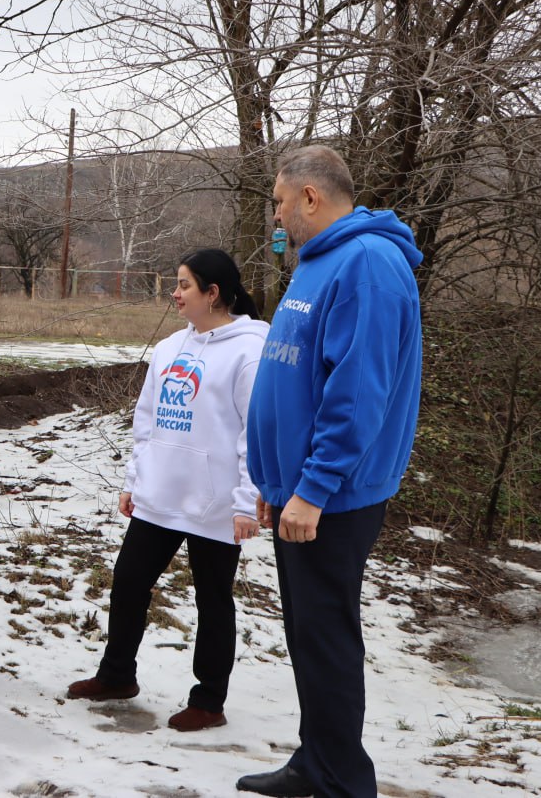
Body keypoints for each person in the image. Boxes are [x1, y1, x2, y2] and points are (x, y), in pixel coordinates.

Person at [237, 146, 422, 798]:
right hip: (301, 491)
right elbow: (297, 374)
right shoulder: (318, 262)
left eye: (280, 202)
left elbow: (358, 393)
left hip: (334, 497)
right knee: (308, 636)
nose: (276, 216)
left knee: (327, 638)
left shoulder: (368, 264)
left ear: (310, 197)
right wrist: (276, 483)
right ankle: (315, 762)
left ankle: (344, 782)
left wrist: (312, 489)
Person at [66, 249, 268, 732]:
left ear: (212, 293)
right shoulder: (169, 348)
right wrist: (134, 480)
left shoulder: (250, 351)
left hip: (215, 503)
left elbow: (255, 433)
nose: (175, 294)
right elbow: (147, 423)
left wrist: (246, 502)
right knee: (128, 582)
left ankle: (209, 701)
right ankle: (117, 676)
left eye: (183, 285)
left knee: (212, 600)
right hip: (160, 494)